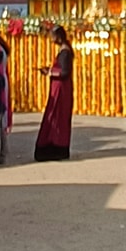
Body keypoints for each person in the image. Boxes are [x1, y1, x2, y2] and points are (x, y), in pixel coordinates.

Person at [34, 24, 75, 161]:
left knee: (57, 117)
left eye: (53, 36)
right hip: (59, 87)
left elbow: (64, 72)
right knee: (55, 116)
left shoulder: (65, 52)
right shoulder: (64, 51)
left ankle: (57, 146)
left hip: (61, 89)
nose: (51, 39)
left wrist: (50, 72)